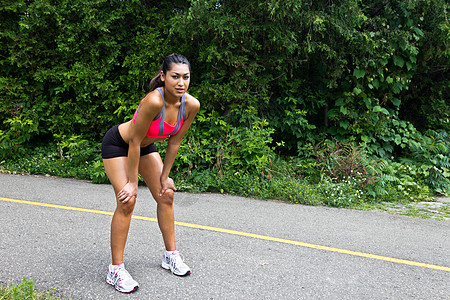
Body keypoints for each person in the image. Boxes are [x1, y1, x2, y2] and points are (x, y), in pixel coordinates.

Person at [101, 54, 200, 293]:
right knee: (127, 201)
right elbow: (134, 141)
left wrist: (165, 176)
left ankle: (170, 256)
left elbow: (174, 142)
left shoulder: (191, 105)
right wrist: (132, 183)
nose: (181, 83)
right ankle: (115, 270)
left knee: (166, 194)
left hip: (144, 147)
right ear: (164, 76)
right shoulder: (154, 101)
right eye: (175, 77)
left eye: (185, 77)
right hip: (119, 144)